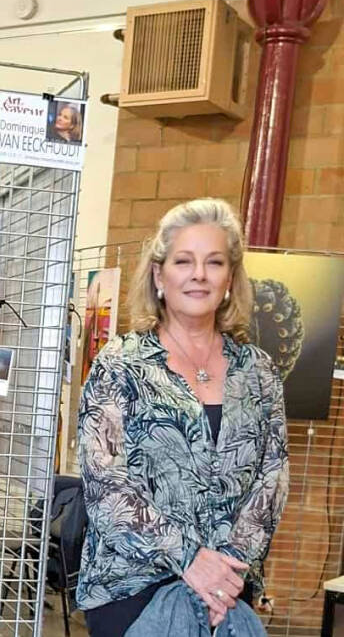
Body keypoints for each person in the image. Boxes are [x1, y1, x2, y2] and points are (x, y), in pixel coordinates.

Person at [75, 198, 289, 637]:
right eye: (183, 261)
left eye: (214, 262)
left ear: (230, 277)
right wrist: (191, 560)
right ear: (159, 274)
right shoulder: (121, 365)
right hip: (131, 589)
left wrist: (223, 572)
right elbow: (105, 485)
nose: (198, 275)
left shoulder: (260, 372)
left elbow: (273, 478)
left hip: (227, 591)